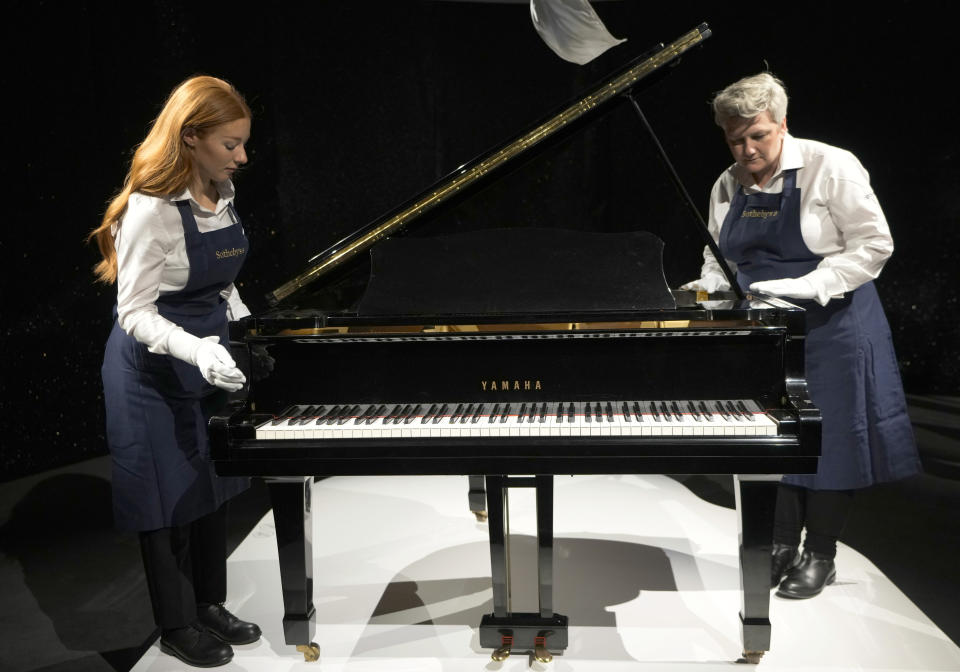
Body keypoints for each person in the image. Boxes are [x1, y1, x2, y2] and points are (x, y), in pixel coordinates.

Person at [682, 73, 920, 599]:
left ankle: (821, 555)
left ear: (782, 125)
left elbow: (873, 246)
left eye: (758, 136)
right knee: (774, 437)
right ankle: (782, 545)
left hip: (834, 322)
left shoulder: (830, 166)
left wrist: (804, 287)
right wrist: (708, 287)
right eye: (735, 139)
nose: (746, 150)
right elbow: (717, 255)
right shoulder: (727, 184)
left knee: (833, 442)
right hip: (764, 329)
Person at [89, 75, 261, 667]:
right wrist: (198, 350)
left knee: (211, 484)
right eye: (230, 145)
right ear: (190, 138)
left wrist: (242, 326)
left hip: (205, 355)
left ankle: (210, 604)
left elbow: (224, 279)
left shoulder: (221, 192)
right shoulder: (150, 211)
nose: (241, 158)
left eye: (243, 144)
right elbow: (133, 312)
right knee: (162, 501)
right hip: (150, 371)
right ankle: (175, 623)